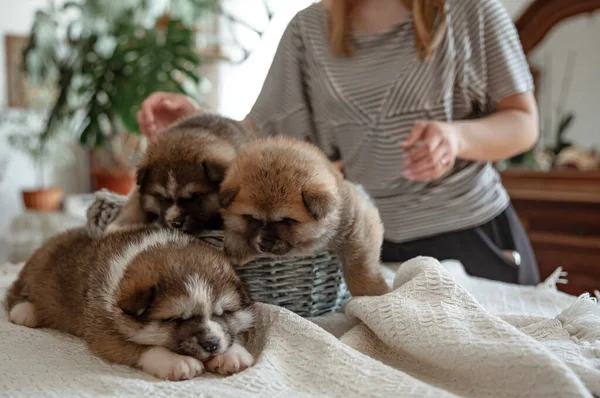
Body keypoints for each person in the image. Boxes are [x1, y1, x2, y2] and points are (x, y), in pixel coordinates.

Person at [136, 0, 540, 285]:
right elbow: (260, 139)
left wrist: (457, 137)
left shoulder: (474, 11)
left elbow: (523, 122)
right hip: (367, 246)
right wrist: (197, 124)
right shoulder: (308, 30)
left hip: (471, 238)